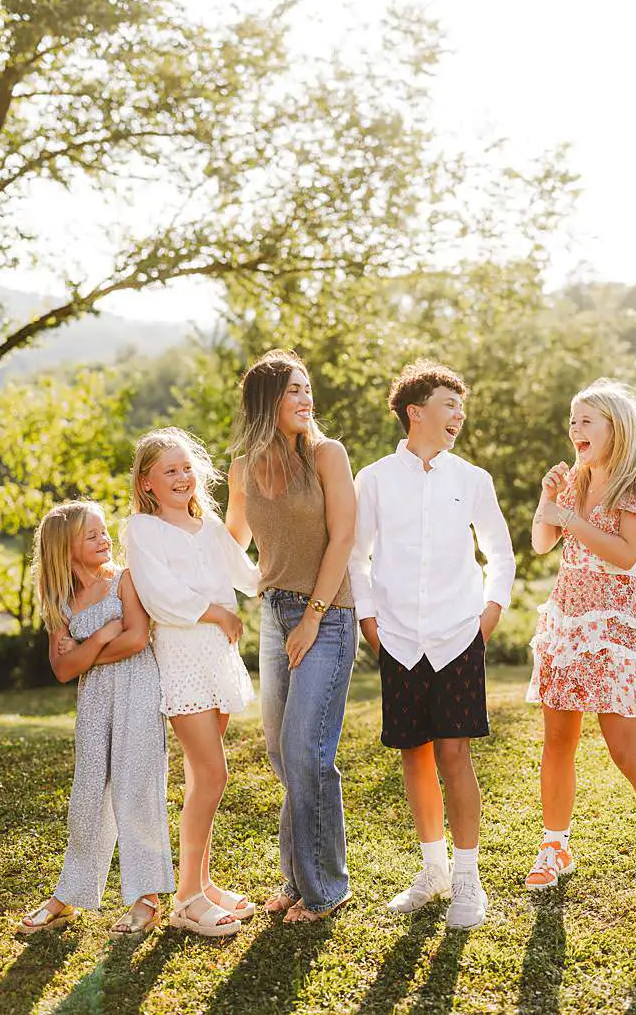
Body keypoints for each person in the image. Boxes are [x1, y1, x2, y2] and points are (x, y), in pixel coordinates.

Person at [350, 360, 515, 931]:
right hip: (396, 638)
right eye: (449, 405)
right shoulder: (371, 479)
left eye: (460, 406)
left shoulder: (472, 479)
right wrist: (370, 622)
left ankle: (468, 880)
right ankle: (433, 870)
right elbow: (356, 555)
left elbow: (500, 551)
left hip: (458, 635)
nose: (458, 415)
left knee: (454, 754)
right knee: (413, 755)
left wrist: (489, 614)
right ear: (415, 413)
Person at [524, 379, 636, 895]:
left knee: (624, 746)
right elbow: (541, 544)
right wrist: (548, 502)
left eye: (586, 421)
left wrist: (569, 518)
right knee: (558, 740)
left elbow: (625, 555)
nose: (575, 430)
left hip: (616, 623)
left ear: (615, 427)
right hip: (566, 620)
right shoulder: (574, 480)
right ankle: (554, 845)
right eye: (573, 420)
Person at [226, 349, 358, 924]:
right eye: (293, 392)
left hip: (325, 615)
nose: (306, 400)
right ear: (265, 403)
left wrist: (311, 616)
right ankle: (296, 878)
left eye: (308, 389)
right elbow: (228, 543)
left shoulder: (327, 455)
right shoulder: (241, 468)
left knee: (308, 753)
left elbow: (344, 537)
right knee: (284, 756)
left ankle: (324, 888)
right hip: (272, 612)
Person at [124, 427, 259, 938]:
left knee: (205, 776)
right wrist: (218, 614)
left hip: (216, 659)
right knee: (212, 774)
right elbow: (160, 596)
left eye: (187, 468)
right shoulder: (142, 528)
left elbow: (247, 576)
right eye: (170, 470)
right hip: (182, 660)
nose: (182, 477)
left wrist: (297, 568)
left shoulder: (208, 525)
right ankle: (186, 898)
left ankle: (200, 882)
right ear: (148, 482)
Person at [17, 501, 173, 937]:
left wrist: (87, 649)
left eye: (104, 532)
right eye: (92, 536)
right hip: (93, 702)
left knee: (135, 787)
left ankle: (146, 897)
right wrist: (106, 634)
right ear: (65, 549)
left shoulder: (125, 579)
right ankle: (70, 893)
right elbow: (64, 670)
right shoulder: (60, 602)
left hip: (138, 691)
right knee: (87, 794)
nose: (105, 540)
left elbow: (138, 638)